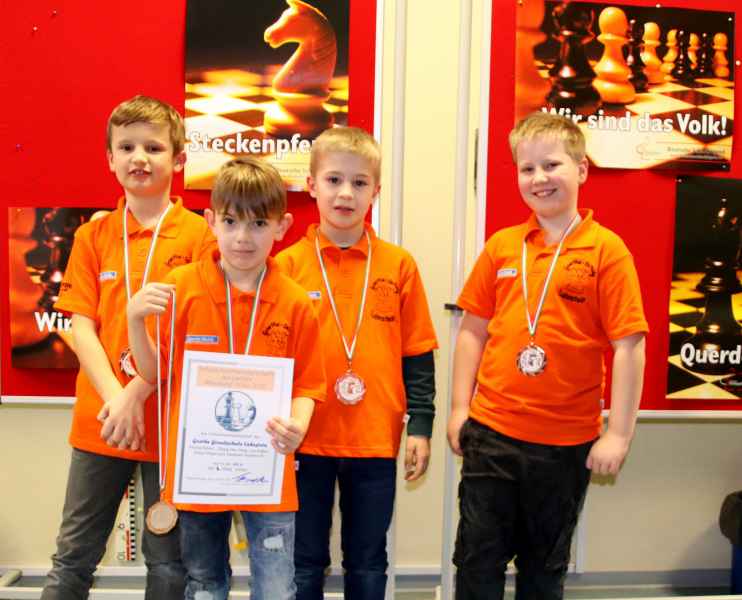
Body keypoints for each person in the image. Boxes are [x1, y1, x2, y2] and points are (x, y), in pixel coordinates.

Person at [447, 111, 648, 600]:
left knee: (543, 569)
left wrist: (619, 434)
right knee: (476, 562)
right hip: (492, 434)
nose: (539, 178)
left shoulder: (607, 252)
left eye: (552, 165)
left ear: (582, 169)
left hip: (564, 445)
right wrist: (458, 407)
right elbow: (472, 330)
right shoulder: (502, 247)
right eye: (527, 168)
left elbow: (629, 346)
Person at [127, 157, 326, 600]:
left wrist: (298, 424)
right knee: (204, 583)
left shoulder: (295, 301)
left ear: (282, 227)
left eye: (259, 223)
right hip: (199, 474)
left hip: (268, 471)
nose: (242, 237)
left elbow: (309, 384)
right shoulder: (182, 287)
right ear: (210, 220)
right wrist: (134, 320)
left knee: (277, 587)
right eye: (231, 221)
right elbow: (153, 372)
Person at [43, 95, 216, 600]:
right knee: (72, 557)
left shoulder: (203, 237)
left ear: (178, 159)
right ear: (110, 159)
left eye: (154, 148)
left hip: (169, 425)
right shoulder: (93, 235)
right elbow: (81, 326)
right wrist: (117, 399)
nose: (140, 157)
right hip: (102, 422)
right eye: (127, 147)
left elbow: (198, 336)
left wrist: (138, 392)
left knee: (169, 564)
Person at [276, 126, 438, 600]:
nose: (346, 193)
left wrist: (420, 427)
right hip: (304, 439)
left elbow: (417, 353)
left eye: (359, 182)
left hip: (374, 439)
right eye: (333, 180)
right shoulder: (286, 266)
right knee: (304, 561)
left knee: (367, 562)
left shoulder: (399, 265)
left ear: (376, 191)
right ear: (311, 185)